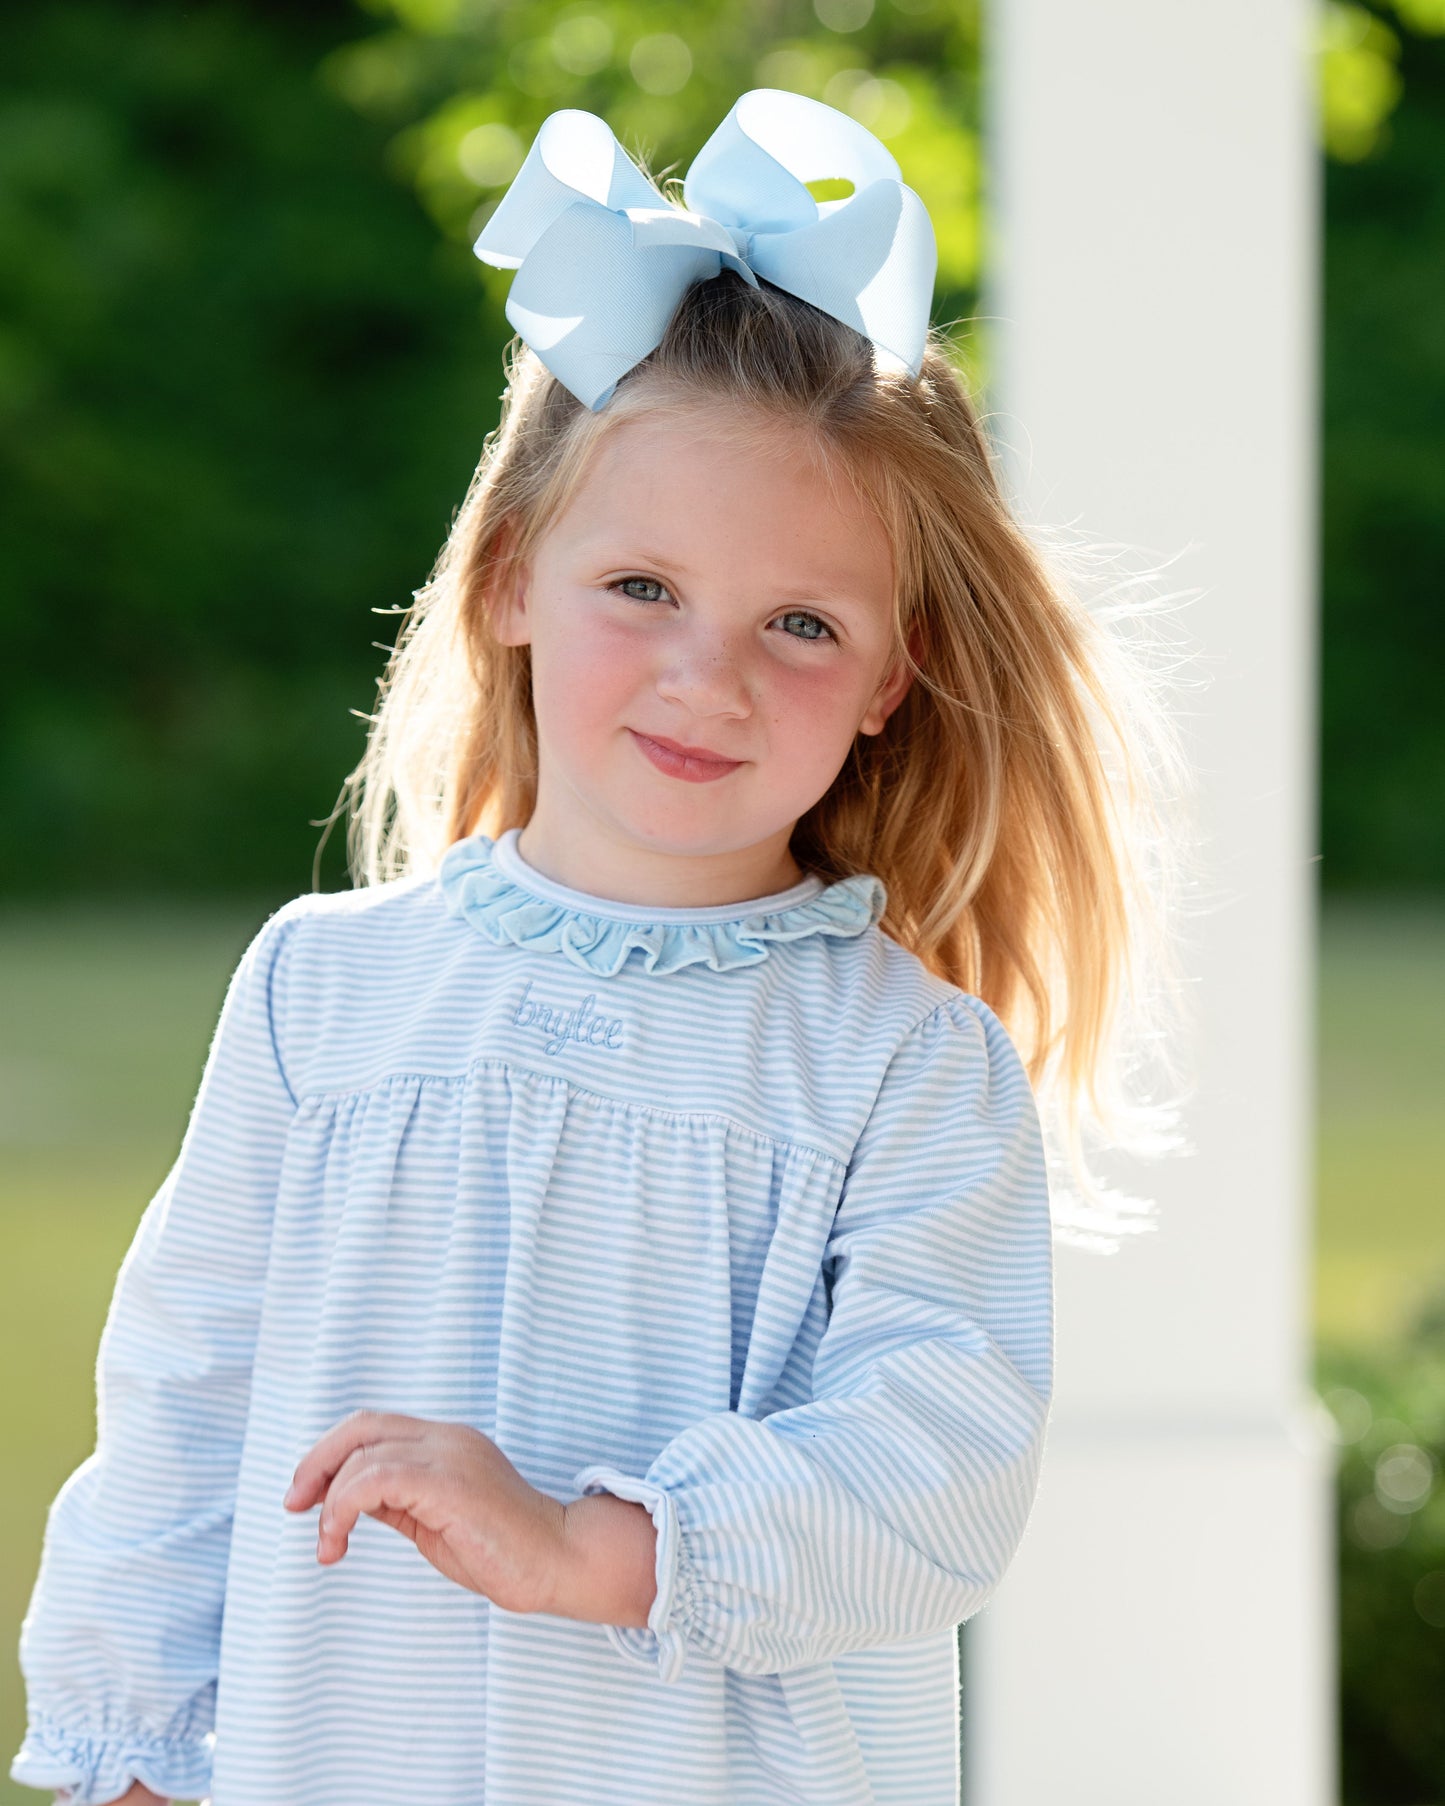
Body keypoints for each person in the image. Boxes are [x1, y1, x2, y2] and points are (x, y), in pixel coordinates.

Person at [12, 89, 1191, 1806]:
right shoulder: (322, 995)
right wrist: (133, 1760)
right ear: (505, 575)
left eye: (799, 623)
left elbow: (934, 1469)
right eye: (640, 586)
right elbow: (182, 1418)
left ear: (889, 677)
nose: (705, 675)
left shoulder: (904, 1065)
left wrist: (597, 1542)